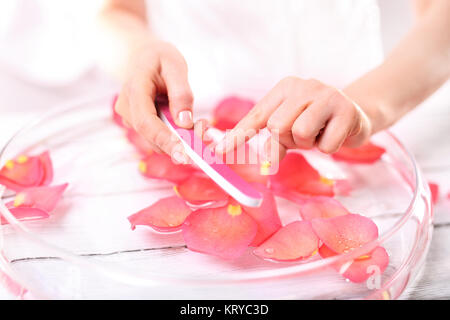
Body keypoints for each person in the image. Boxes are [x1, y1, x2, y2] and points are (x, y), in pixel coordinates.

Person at [96, 0, 450, 164]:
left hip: (358, 135)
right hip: (192, 134)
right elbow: (117, 12)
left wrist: (365, 109)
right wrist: (140, 54)